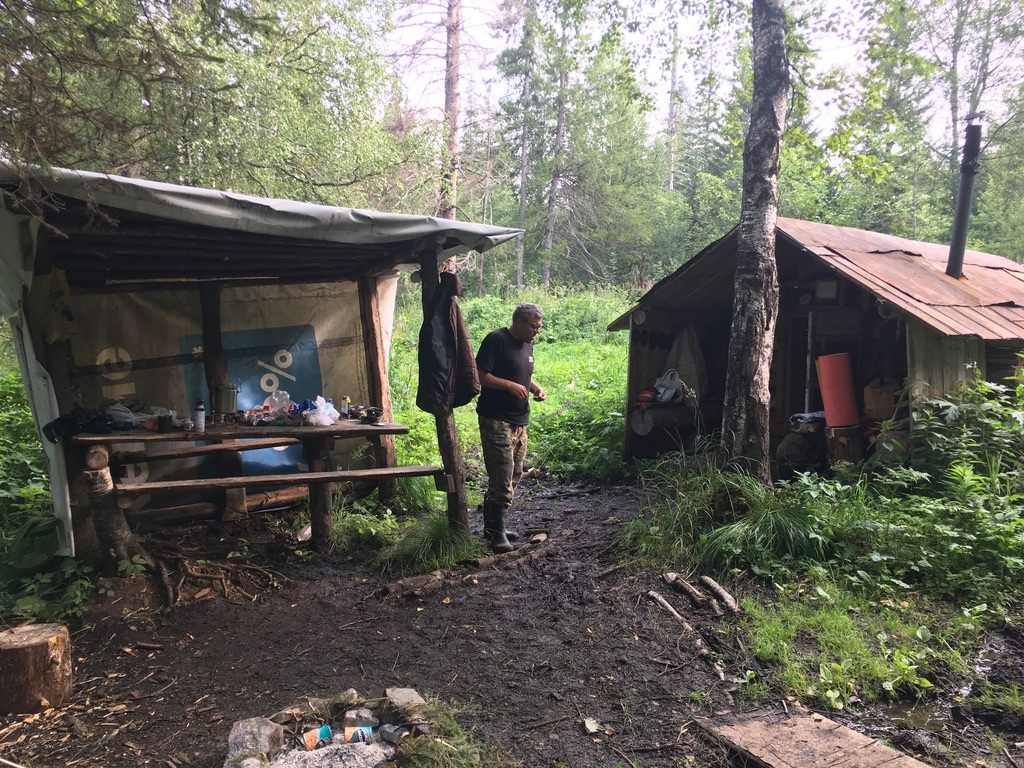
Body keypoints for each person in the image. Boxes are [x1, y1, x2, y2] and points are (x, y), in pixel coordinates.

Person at [475, 302, 547, 552]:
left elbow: (522, 375)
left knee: (514, 475)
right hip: (496, 419)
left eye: (539, 327)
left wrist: (534, 387)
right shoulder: (496, 340)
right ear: (518, 322)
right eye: (533, 327)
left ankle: (494, 526)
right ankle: (497, 536)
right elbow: (480, 375)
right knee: (502, 477)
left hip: (520, 420)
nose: (537, 332)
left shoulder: (527, 344)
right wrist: (507, 386)